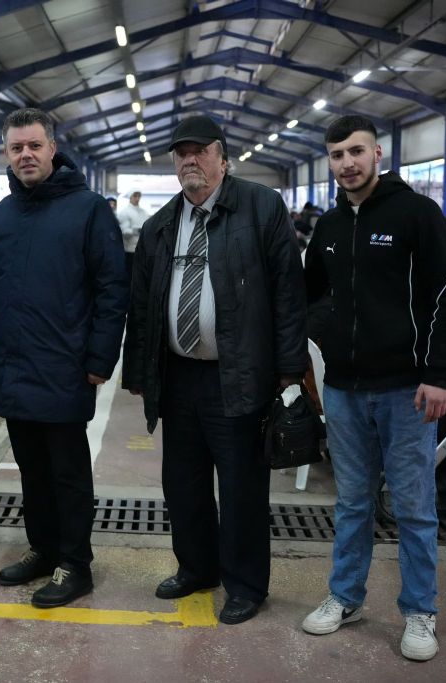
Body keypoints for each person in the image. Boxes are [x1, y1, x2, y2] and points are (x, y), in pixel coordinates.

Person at [122, 114, 307, 625]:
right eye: (181, 153)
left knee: (242, 486)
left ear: (223, 158)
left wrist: (290, 370)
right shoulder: (162, 224)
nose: (190, 160)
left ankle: (245, 584)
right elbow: (143, 304)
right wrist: (138, 372)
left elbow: (289, 293)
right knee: (183, 483)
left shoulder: (261, 207)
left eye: (200, 151)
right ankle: (197, 568)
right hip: (179, 376)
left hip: (239, 373)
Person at [302, 115, 446, 661]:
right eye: (337, 154)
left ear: (377, 154)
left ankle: (420, 611)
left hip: (406, 390)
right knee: (351, 502)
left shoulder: (416, 214)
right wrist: (326, 335)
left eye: (356, 151)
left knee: (413, 506)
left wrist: (438, 376)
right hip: (344, 390)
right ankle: (345, 597)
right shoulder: (328, 226)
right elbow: (311, 293)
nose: (347, 163)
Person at [0, 108, 127, 608]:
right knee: (31, 470)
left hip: (64, 364)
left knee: (67, 474)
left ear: (52, 149)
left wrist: (99, 359)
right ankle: (44, 550)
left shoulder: (88, 209)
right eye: (16, 147)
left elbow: (112, 288)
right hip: (14, 364)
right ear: (7, 153)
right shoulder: (3, 213)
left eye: (34, 145)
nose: (25, 154)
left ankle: (75, 564)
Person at [117, 190, 149, 280]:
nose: (137, 198)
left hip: (143, 249)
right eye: (135, 196)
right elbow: (124, 231)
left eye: (139, 196)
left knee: (141, 277)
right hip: (130, 250)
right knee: (131, 276)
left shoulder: (144, 212)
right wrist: (137, 231)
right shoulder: (124, 212)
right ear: (130, 197)